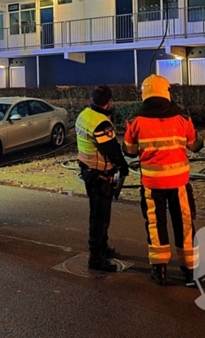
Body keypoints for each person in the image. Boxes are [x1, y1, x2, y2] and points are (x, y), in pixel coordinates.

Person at [123, 75, 203, 286]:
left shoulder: (136, 121)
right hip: (179, 183)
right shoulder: (181, 119)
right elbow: (194, 145)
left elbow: (130, 151)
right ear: (167, 92)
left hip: (152, 183)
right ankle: (190, 271)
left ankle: (160, 271)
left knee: (155, 224)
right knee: (184, 223)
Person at [75, 85, 130, 272]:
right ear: (109, 101)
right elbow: (112, 150)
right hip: (100, 174)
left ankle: (102, 248)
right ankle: (96, 258)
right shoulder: (101, 123)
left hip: (88, 170)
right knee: (100, 217)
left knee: (97, 212)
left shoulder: (84, 115)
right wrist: (123, 166)